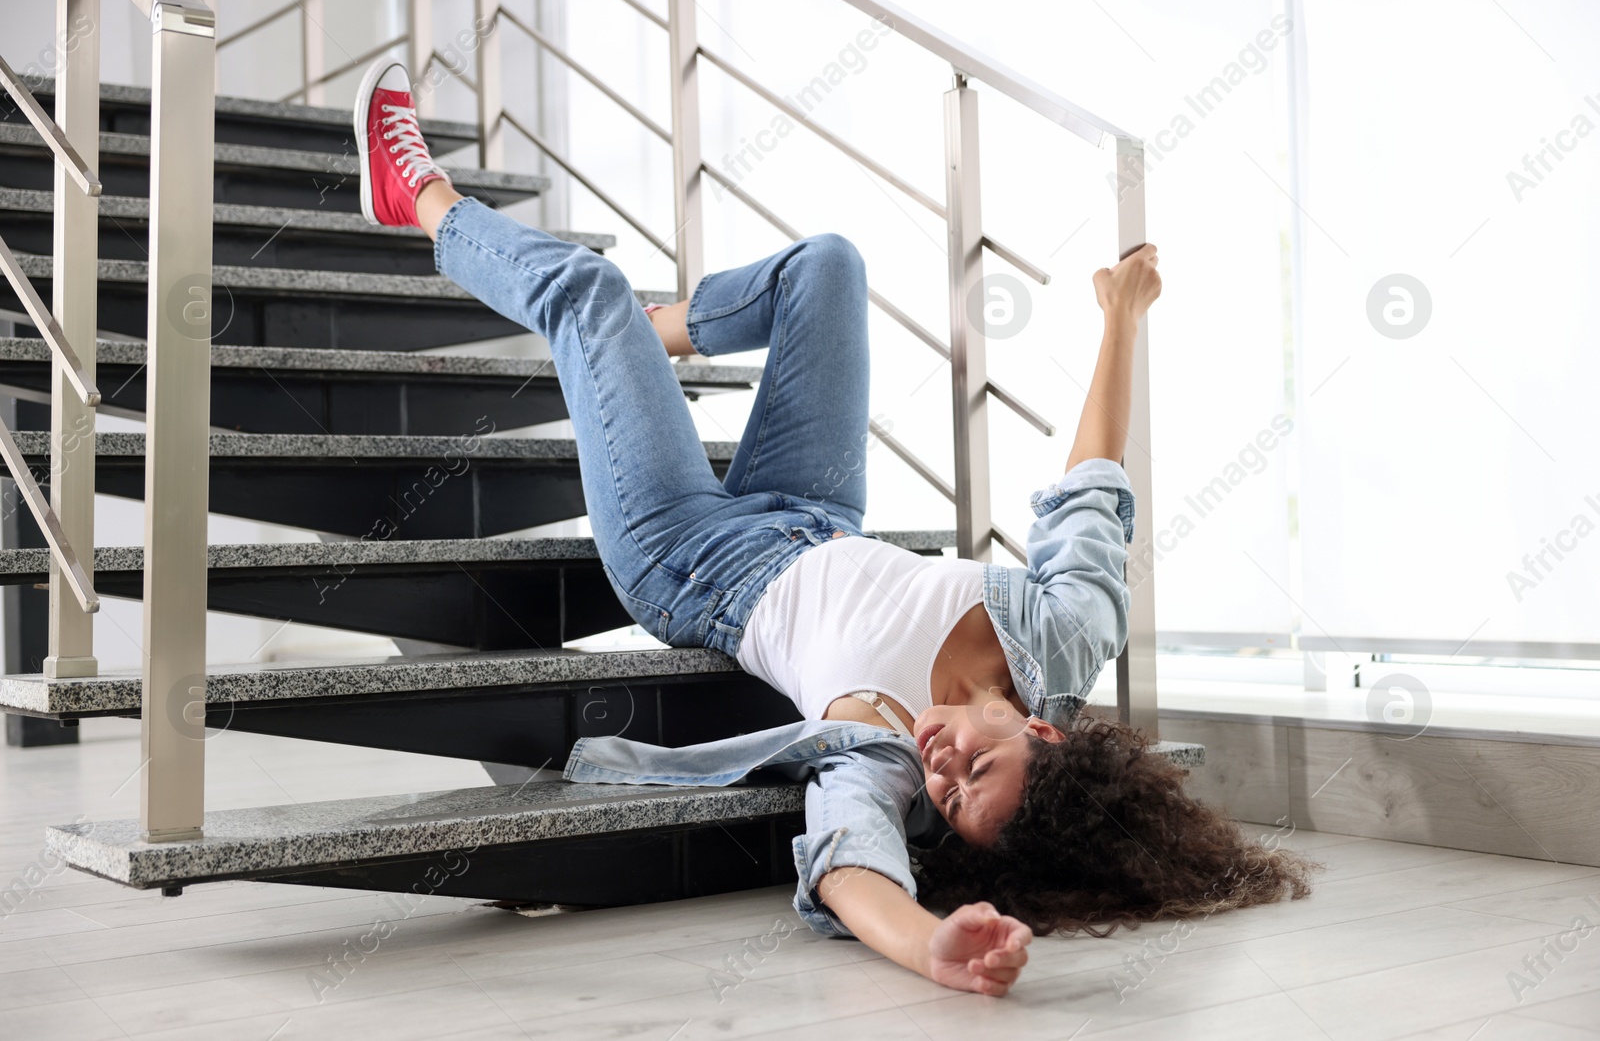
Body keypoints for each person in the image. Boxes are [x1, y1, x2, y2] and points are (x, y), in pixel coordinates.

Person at [355, 59, 1315, 998]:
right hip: (810, 510)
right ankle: (647, 340)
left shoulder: (881, 749)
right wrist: (1121, 316)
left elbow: (852, 865)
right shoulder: (1065, 630)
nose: (941, 767)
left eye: (945, 799)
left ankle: (421, 198)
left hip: (690, 557)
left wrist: (931, 945)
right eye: (976, 764)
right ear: (1046, 734)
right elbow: (1093, 484)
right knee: (827, 266)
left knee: (587, 292)